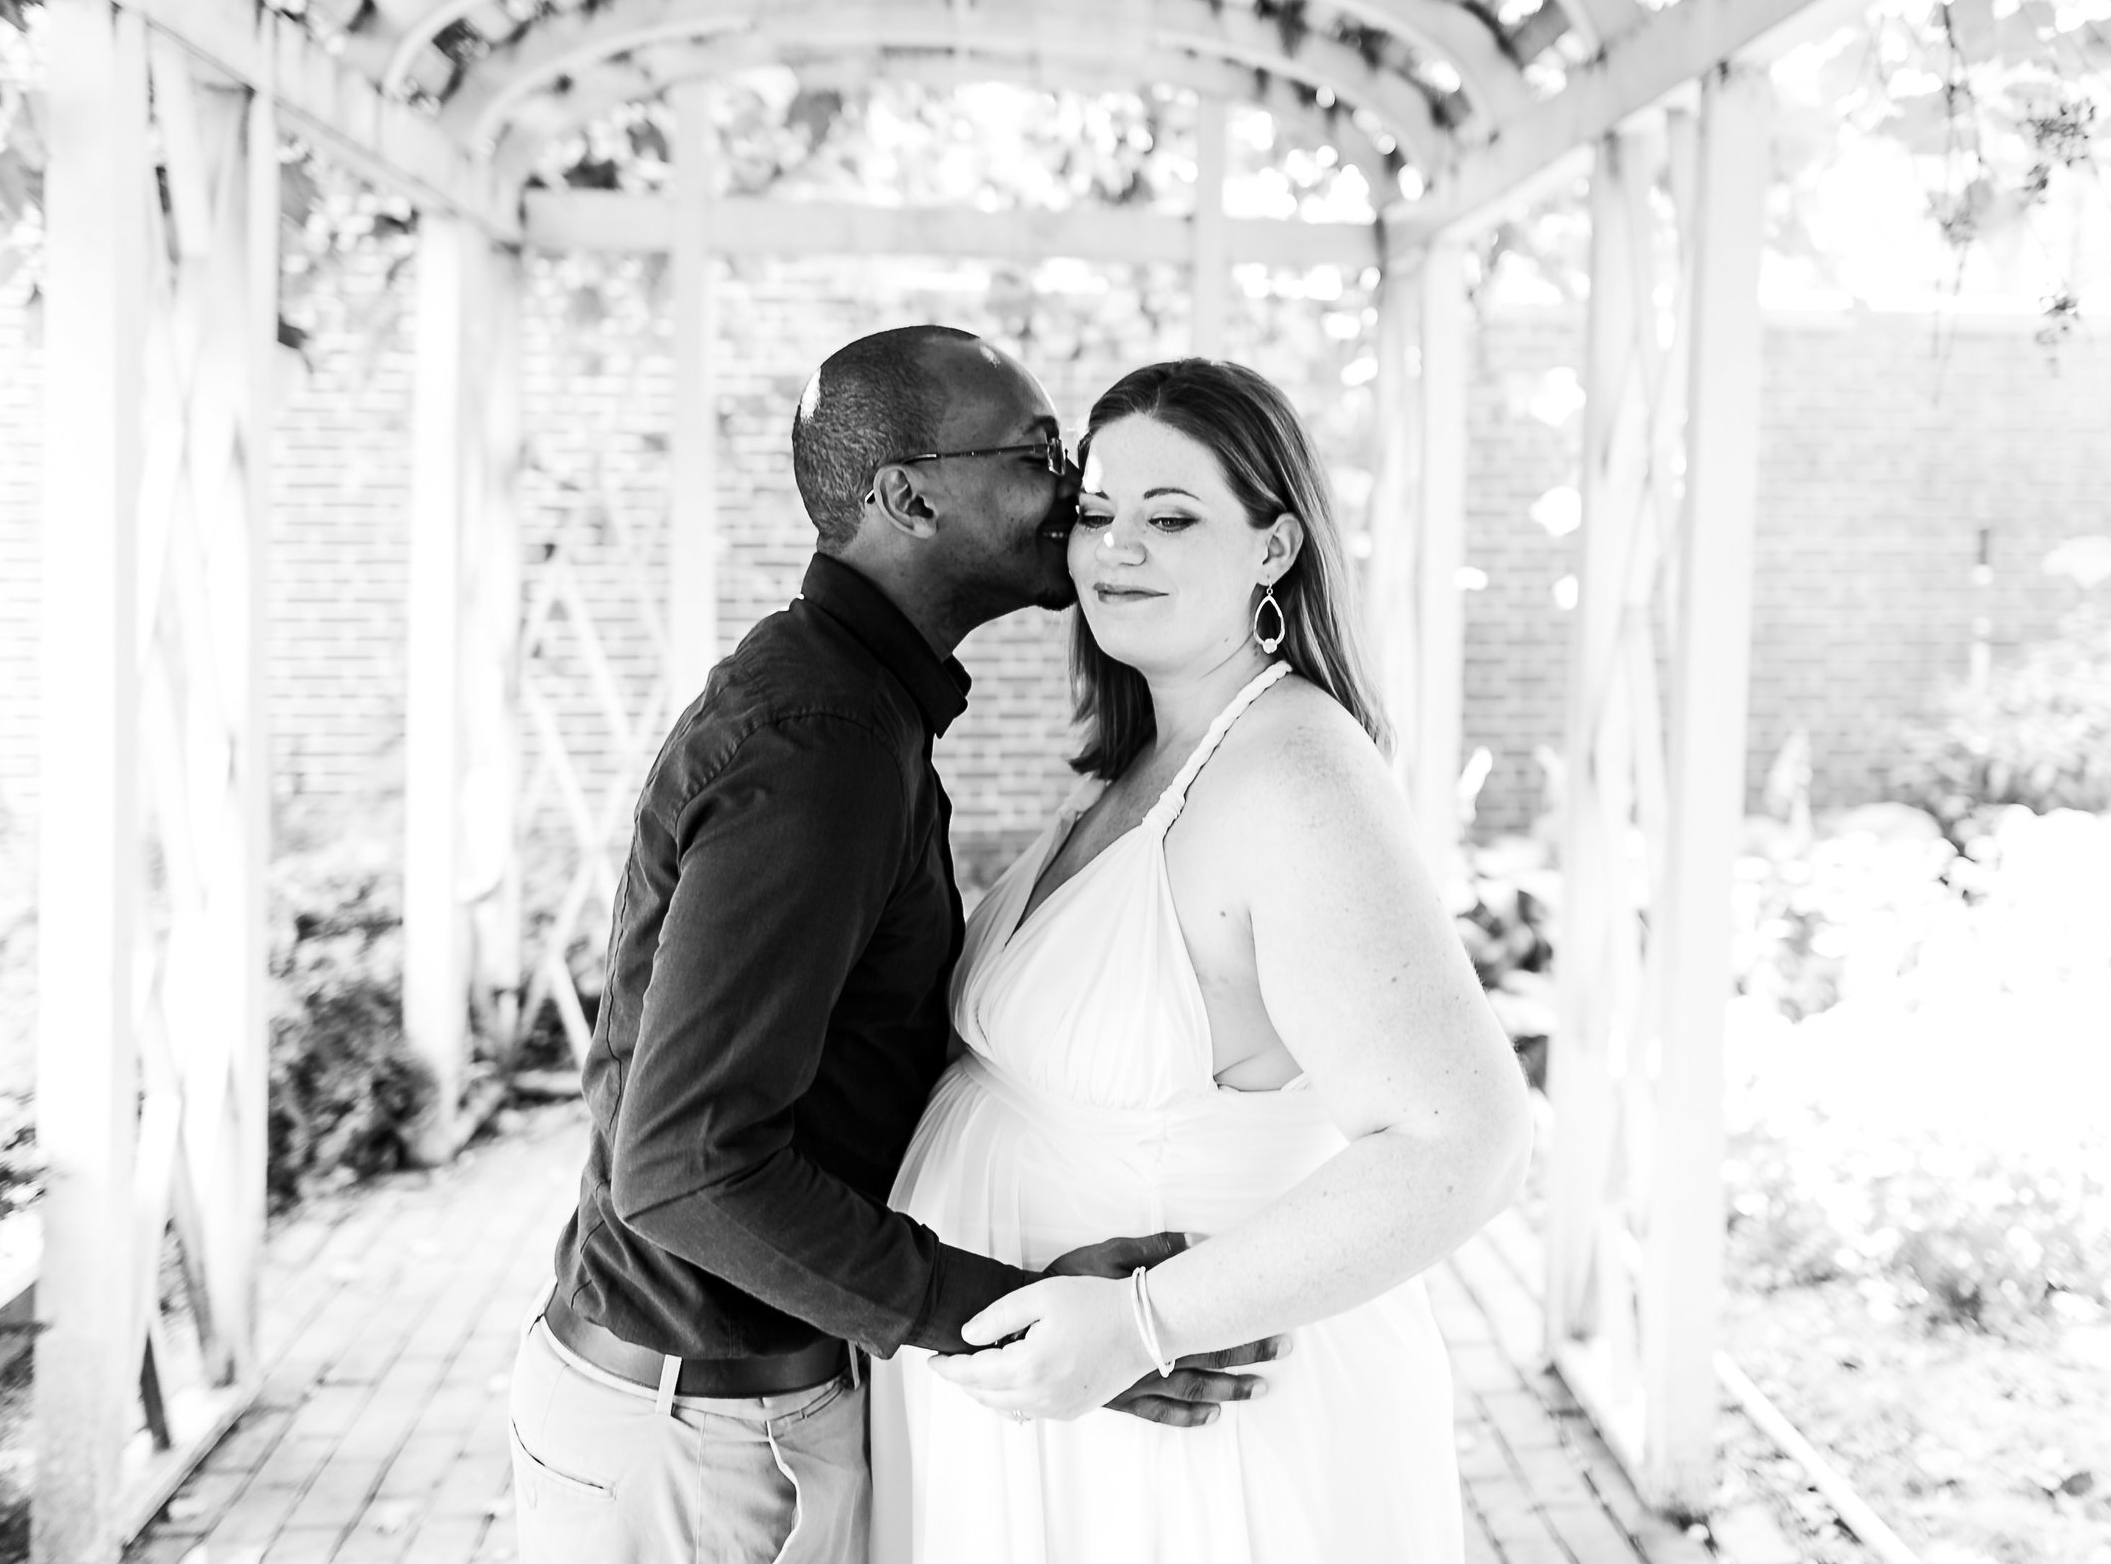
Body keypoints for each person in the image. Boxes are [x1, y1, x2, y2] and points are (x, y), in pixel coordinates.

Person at [507, 327, 1279, 1564]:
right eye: (1038, 452)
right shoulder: (826, 743)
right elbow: (686, 1166)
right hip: (703, 1446)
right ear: (907, 495)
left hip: (723, 1410)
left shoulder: (855, 708)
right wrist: (1008, 1324)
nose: (1071, 486)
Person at [871, 357, 1534, 1564]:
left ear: (1274, 547)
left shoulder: (1293, 774)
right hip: (1047, 1411)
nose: (1116, 550)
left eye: (1172, 517)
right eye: (1097, 514)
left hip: (1182, 1431)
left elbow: (1465, 1137)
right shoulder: (1141, 761)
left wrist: (1141, 1322)